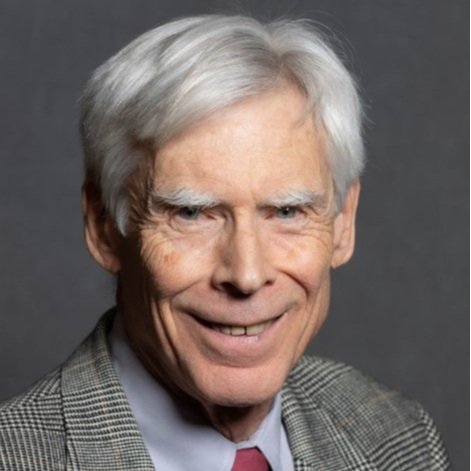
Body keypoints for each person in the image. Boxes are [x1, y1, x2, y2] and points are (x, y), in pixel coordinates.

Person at [0, 14, 450, 471]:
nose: (247, 275)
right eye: (192, 213)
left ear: (343, 223)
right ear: (103, 228)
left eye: (287, 211)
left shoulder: (399, 437)